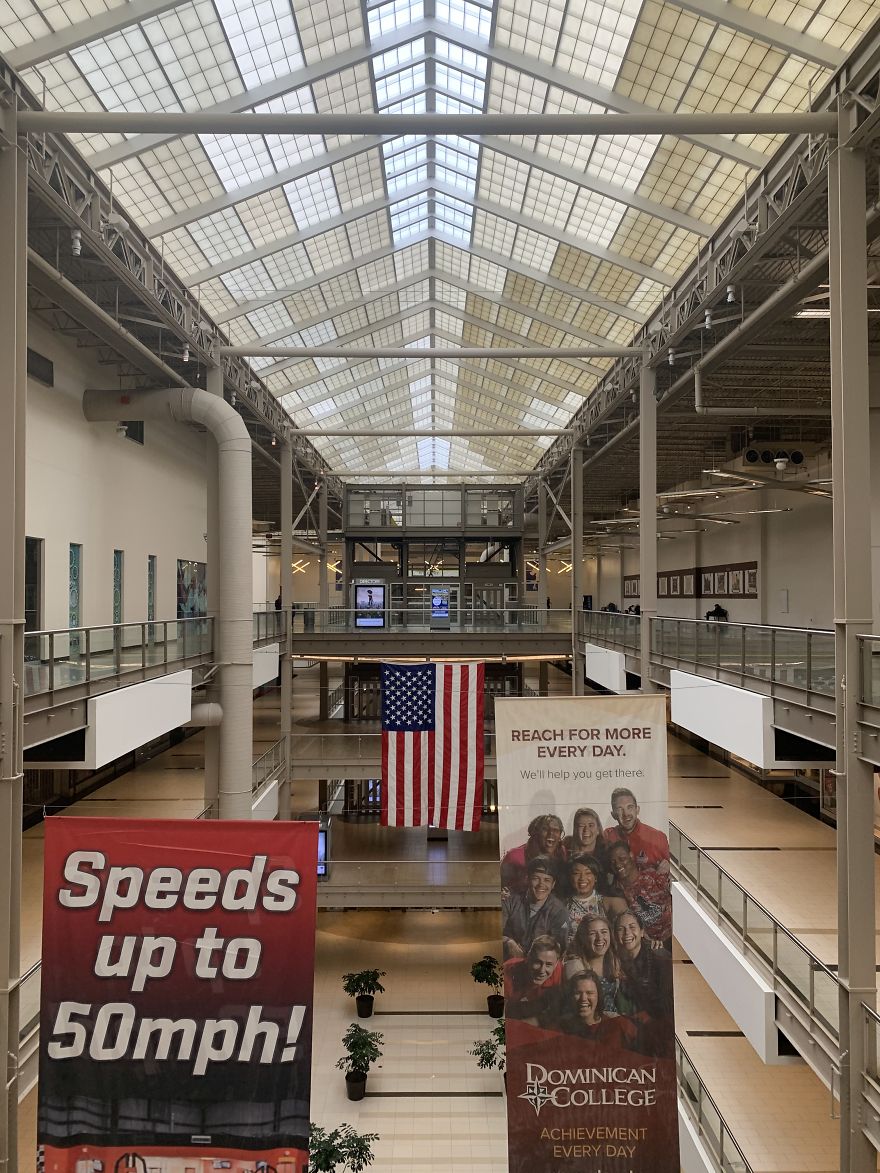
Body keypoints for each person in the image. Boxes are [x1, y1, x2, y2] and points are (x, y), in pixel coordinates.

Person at [614, 910, 673, 1036]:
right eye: (621, 929)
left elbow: (667, 1006)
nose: (627, 933)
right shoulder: (611, 962)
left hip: (653, 1029)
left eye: (632, 927)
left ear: (642, 932)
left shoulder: (660, 962)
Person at [502, 856, 568, 961]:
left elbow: (559, 949)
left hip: (541, 964)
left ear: (553, 884)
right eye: (536, 878)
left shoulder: (559, 911)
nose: (541, 885)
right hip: (508, 961)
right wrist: (507, 941)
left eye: (547, 880)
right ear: (527, 879)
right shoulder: (511, 900)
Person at [549, 971, 639, 1049]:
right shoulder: (559, 1029)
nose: (583, 998)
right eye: (577, 993)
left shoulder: (615, 1027)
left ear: (598, 996)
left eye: (589, 993)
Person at [607, 841, 671, 946]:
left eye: (622, 859)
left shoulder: (653, 874)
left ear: (631, 855)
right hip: (647, 946)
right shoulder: (616, 893)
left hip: (674, 937)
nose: (618, 864)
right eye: (613, 862)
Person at [562, 914, 622, 1013]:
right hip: (590, 1023)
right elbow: (579, 1009)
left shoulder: (613, 961)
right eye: (593, 933)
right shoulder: (574, 965)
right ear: (583, 938)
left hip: (613, 1019)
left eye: (604, 932)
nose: (600, 938)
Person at [603, 786, 670, 872]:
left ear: (637, 810)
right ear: (613, 815)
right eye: (620, 809)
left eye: (630, 807)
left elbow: (667, 874)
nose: (626, 814)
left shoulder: (658, 837)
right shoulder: (607, 836)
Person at [564, 856, 625, 944]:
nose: (582, 878)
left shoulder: (610, 903)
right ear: (570, 878)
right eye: (577, 873)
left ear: (595, 877)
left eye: (588, 873)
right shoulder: (562, 905)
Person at [501, 813, 567, 894]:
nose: (551, 834)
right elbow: (501, 888)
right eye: (545, 829)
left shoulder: (562, 852)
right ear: (535, 833)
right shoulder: (514, 856)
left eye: (556, 830)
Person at [503, 935, 563, 1019]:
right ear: (528, 958)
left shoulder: (559, 970)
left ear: (556, 964)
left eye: (548, 964)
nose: (542, 970)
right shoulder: (507, 973)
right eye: (537, 962)